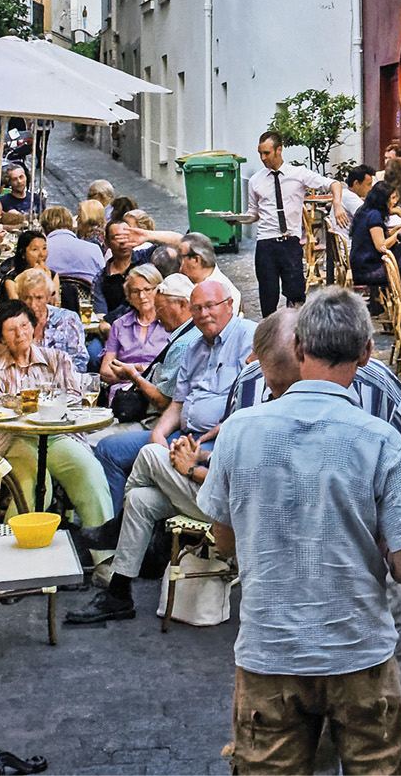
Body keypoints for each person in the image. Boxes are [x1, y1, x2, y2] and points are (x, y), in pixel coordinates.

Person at [197, 289, 401, 771]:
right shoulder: (380, 439)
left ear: (300, 348)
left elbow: (226, 542)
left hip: (271, 651)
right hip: (358, 651)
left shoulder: (240, 429)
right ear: (366, 354)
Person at [65, 278, 252, 625]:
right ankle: (119, 594)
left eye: (211, 306)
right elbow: (178, 403)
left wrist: (198, 451)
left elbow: (246, 418)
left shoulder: (249, 340)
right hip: (187, 440)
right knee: (140, 496)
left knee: (149, 458)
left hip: (220, 469)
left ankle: (115, 530)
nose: (204, 314)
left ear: (230, 304)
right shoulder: (196, 347)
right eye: (197, 308)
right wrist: (160, 433)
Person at [0, 300, 116, 534]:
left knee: (89, 470)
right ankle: (11, 553)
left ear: (34, 327)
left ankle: (103, 558)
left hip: (54, 436)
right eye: (11, 330)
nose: (20, 334)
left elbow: (73, 398)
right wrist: (30, 405)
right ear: (1, 338)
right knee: (38, 484)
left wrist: (42, 406)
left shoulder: (57, 359)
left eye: (24, 325)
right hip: (13, 441)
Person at [91, 272, 198, 510]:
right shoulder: (188, 334)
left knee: (102, 447)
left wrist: (135, 376)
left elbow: (162, 402)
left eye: (161, 309)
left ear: (181, 305)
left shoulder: (182, 342)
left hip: (162, 424)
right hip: (165, 421)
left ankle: (112, 520)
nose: (157, 315)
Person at [229, 130, 325, 315]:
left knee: (296, 293)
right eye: (260, 154)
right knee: (267, 294)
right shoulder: (256, 180)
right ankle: (269, 333)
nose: (263, 158)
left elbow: (332, 184)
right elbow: (254, 213)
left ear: (279, 150)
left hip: (289, 241)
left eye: (267, 153)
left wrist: (337, 204)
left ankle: (294, 331)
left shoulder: (298, 174)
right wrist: (237, 220)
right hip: (266, 242)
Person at [10, 264, 91, 376]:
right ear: (19, 297)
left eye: (39, 298)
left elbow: (80, 363)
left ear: (49, 297)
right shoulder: (13, 322)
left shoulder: (68, 319)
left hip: (63, 384)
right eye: (26, 298)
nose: (33, 305)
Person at [99, 264, 171, 373]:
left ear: (158, 290)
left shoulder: (171, 324)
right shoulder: (119, 325)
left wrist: (135, 375)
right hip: (122, 387)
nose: (142, 296)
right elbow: (105, 370)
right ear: (129, 295)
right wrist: (131, 377)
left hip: (157, 387)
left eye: (147, 289)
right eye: (136, 291)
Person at [176, 232, 244, 317]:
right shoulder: (183, 280)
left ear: (196, 260)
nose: (179, 263)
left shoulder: (226, 292)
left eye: (180, 257)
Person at [92, 219, 144, 321]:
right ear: (107, 243)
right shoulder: (101, 279)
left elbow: (177, 242)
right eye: (116, 237)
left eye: (126, 236)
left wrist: (148, 235)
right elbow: (102, 316)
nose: (122, 242)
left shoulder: (146, 259)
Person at [42, 205, 104, 286]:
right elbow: (104, 280)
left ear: (44, 228)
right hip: (88, 296)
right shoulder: (94, 249)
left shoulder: (40, 251)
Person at [0, 229, 48, 296]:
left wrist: (48, 280)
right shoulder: (11, 281)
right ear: (23, 254)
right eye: (35, 249)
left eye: (44, 248)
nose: (42, 254)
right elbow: (21, 305)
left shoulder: (51, 275)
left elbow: (55, 304)